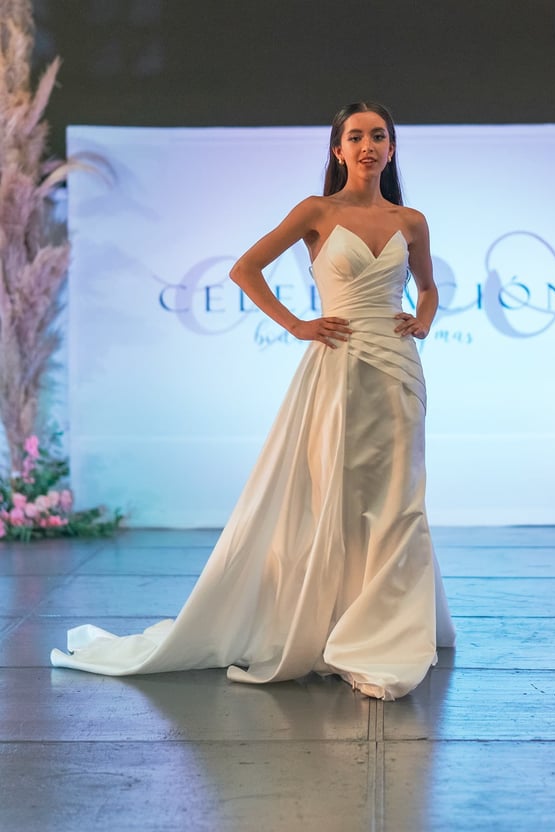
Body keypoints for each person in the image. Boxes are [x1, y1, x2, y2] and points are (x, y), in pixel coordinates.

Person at [51, 101, 455, 700]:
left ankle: (387, 633)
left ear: (391, 148)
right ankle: (332, 626)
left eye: (379, 136)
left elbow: (428, 287)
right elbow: (246, 269)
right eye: (355, 136)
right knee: (335, 499)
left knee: (400, 503)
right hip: (338, 371)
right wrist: (297, 325)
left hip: (397, 373)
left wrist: (422, 320)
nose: (368, 145)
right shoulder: (317, 210)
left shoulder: (413, 220)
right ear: (338, 150)